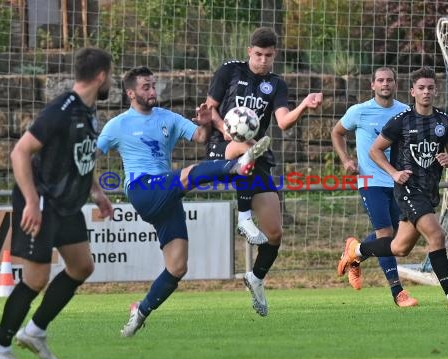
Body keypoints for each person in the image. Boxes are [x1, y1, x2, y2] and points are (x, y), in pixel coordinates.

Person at [96, 66, 271, 337]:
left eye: (154, 85)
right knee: (189, 174)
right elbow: (92, 153)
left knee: (177, 267)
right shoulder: (117, 125)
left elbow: (200, 137)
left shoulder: (167, 117)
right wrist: (93, 188)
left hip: (166, 196)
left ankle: (139, 312)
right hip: (142, 190)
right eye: (146, 87)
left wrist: (203, 121)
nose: (153, 91)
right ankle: (236, 166)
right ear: (130, 93)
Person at [0, 47, 114, 359]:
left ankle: (35, 331)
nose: (110, 80)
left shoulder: (89, 110)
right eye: (110, 74)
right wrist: (31, 201)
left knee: (82, 266)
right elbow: (20, 152)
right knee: (35, 279)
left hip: (68, 204)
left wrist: (96, 191)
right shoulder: (61, 110)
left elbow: (80, 156)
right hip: (42, 200)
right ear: (101, 76)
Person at [337, 66, 448, 314]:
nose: (426, 92)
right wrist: (393, 173)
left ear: (436, 91)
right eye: (421, 88)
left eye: (430, 88)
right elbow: (375, 150)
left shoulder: (444, 122)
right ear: (412, 91)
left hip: (428, 192)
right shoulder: (401, 120)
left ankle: (356, 250)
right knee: (436, 236)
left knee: (399, 247)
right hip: (407, 190)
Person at [205, 27, 323, 316]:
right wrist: (228, 130)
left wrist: (305, 106)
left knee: (274, 233)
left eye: (268, 56)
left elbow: (283, 122)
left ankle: (256, 278)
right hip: (222, 146)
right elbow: (210, 109)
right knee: (246, 148)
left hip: (255, 153)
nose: (262, 61)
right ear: (249, 52)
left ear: (275, 55)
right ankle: (243, 217)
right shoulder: (229, 71)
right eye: (258, 55)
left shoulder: (276, 84)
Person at [331, 67, 418, 307]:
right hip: (370, 181)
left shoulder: (405, 112)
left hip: (398, 182)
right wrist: (346, 160)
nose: (385, 84)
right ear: (372, 85)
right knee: (386, 236)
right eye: (380, 80)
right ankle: (398, 293)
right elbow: (336, 133)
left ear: (396, 84)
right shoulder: (359, 112)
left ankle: (355, 251)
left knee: (400, 238)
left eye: (389, 80)